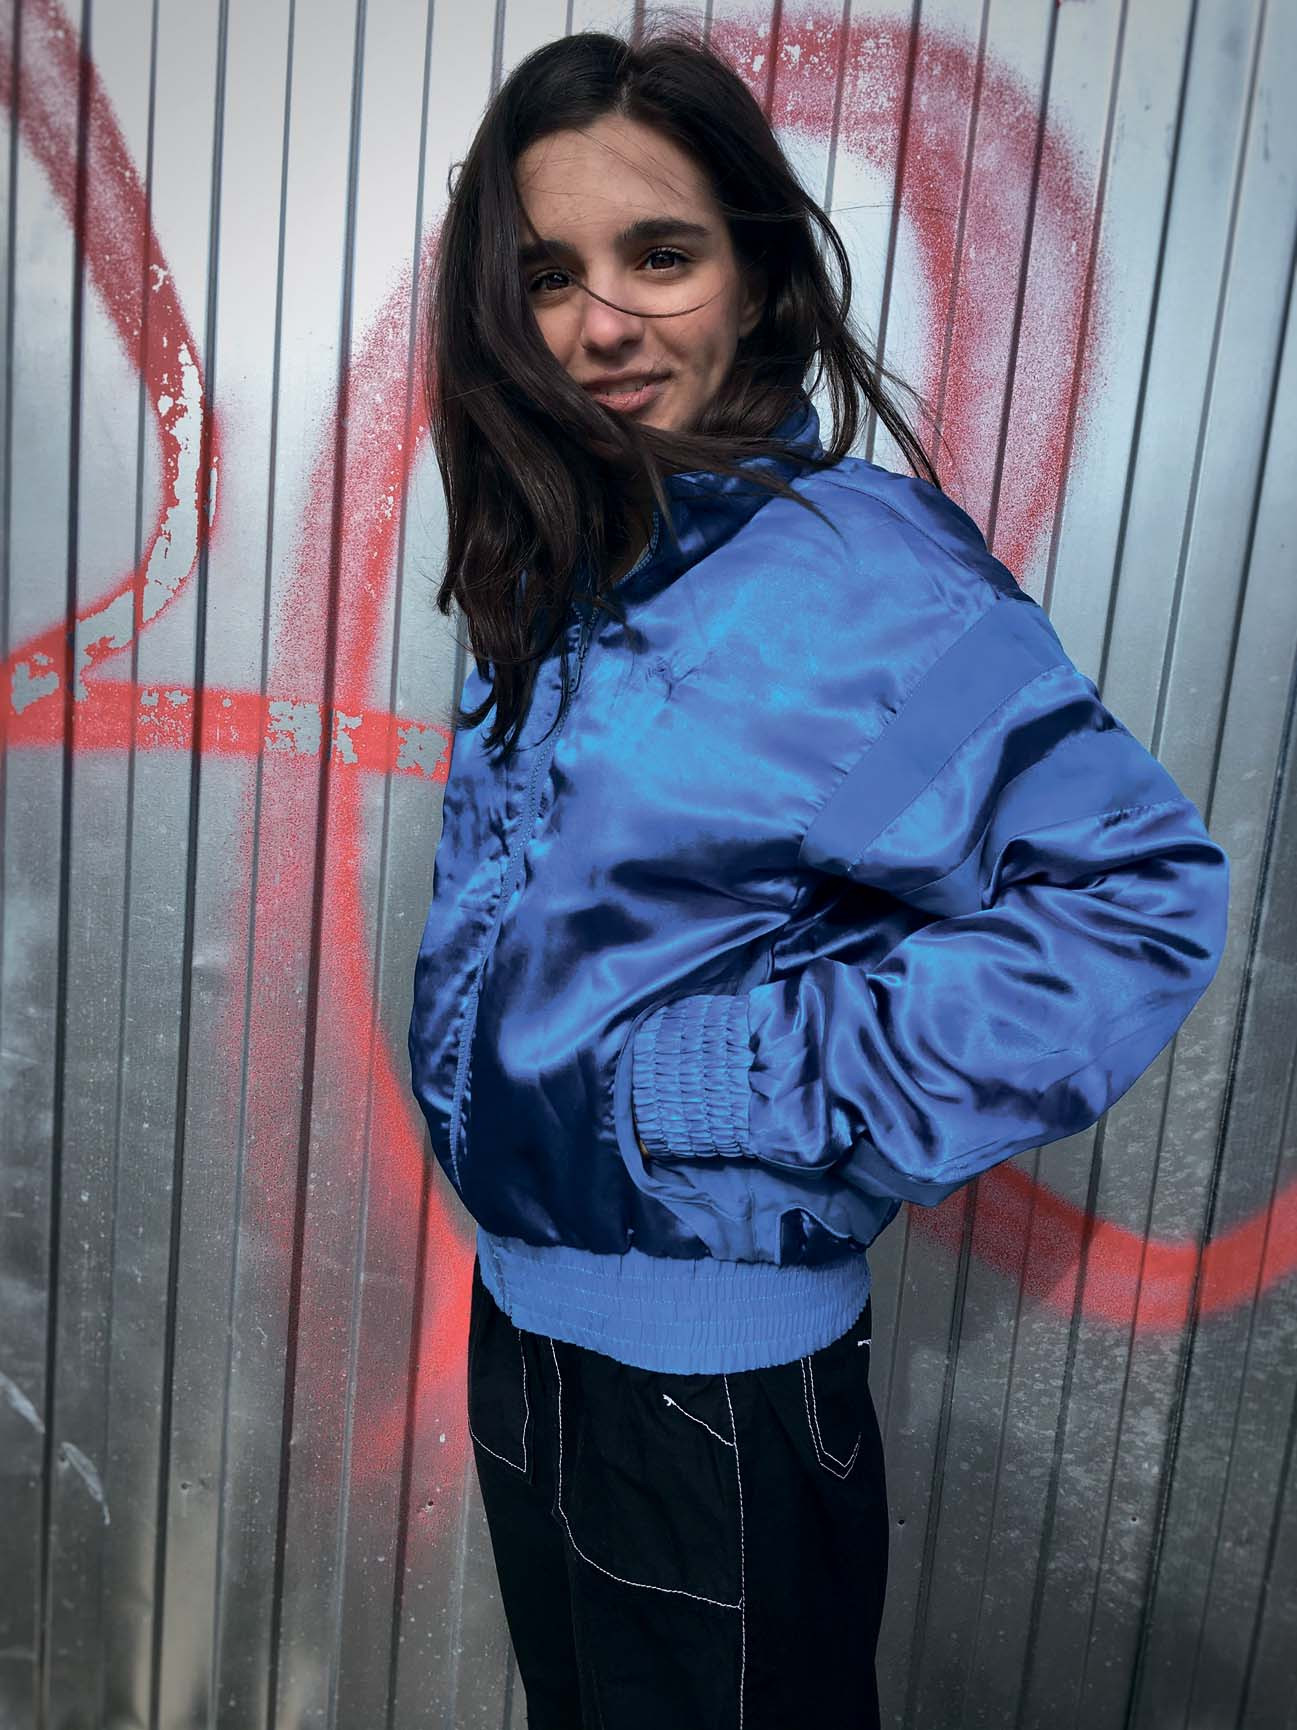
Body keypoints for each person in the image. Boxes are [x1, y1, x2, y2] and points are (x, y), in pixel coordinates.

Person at [407, 24, 1230, 1730]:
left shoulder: (861, 573)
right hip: (530, 1333)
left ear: (759, 275)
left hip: (707, 1399)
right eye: (549, 274)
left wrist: (733, 1081)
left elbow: (1132, 900)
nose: (600, 323)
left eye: (661, 255)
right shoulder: (569, 550)